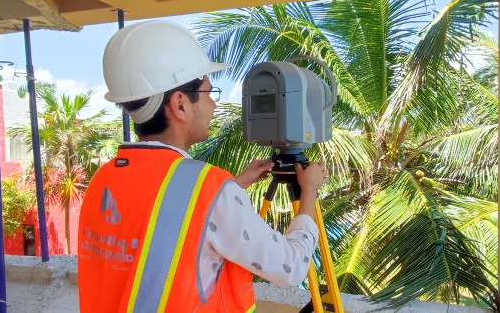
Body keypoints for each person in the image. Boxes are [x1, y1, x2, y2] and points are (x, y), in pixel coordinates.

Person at [76, 20, 328, 312]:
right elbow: (290, 268)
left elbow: (162, 226)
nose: (214, 106)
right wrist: (309, 191)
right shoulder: (209, 190)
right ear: (180, 105)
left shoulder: (105, 178)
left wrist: (233, 186)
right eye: (210, 93)